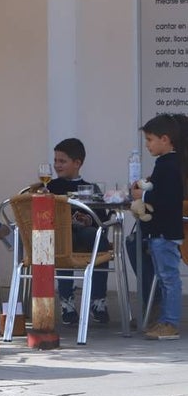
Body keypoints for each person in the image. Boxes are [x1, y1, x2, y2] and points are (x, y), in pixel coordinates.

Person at [46, 138, 110, 326]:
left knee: (98, 238)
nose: (57, 165)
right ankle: (67, 301)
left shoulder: (91, 188)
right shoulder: (52, 187)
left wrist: (88, 219)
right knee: (63, 239)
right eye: (55, 160)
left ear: (77, 163)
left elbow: (102, 220)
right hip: (63, 236)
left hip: (86, 236)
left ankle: (97, 300)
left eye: (62, 161)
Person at [134, 114, 186, 340]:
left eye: (150, 139)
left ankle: (170, 323)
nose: (147, 145)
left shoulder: (171, 164)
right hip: (158, 232)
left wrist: (143, 194)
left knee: (169, 278)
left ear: (165, 139)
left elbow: (167, 197)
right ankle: (164, 319)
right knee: (164, 278)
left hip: (165, 232)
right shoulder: (164, 163)